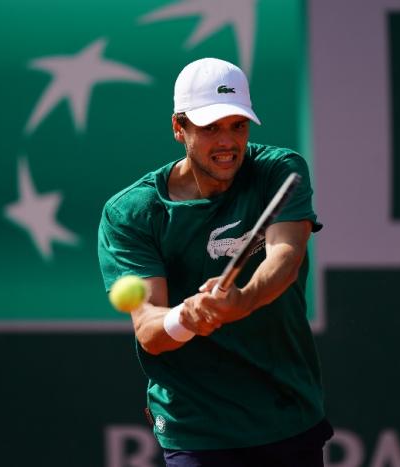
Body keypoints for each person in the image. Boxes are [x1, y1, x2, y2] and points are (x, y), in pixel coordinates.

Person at [98, 57, 332, 466]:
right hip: (196, 428)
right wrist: (187, 319)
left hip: (285, 413)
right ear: (178, 127)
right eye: (209, 128)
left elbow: (286, 255)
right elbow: (150, 330)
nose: (227, 142)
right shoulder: (131, 213)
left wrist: (241, 300)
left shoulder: (279, 170)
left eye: (237, 126)